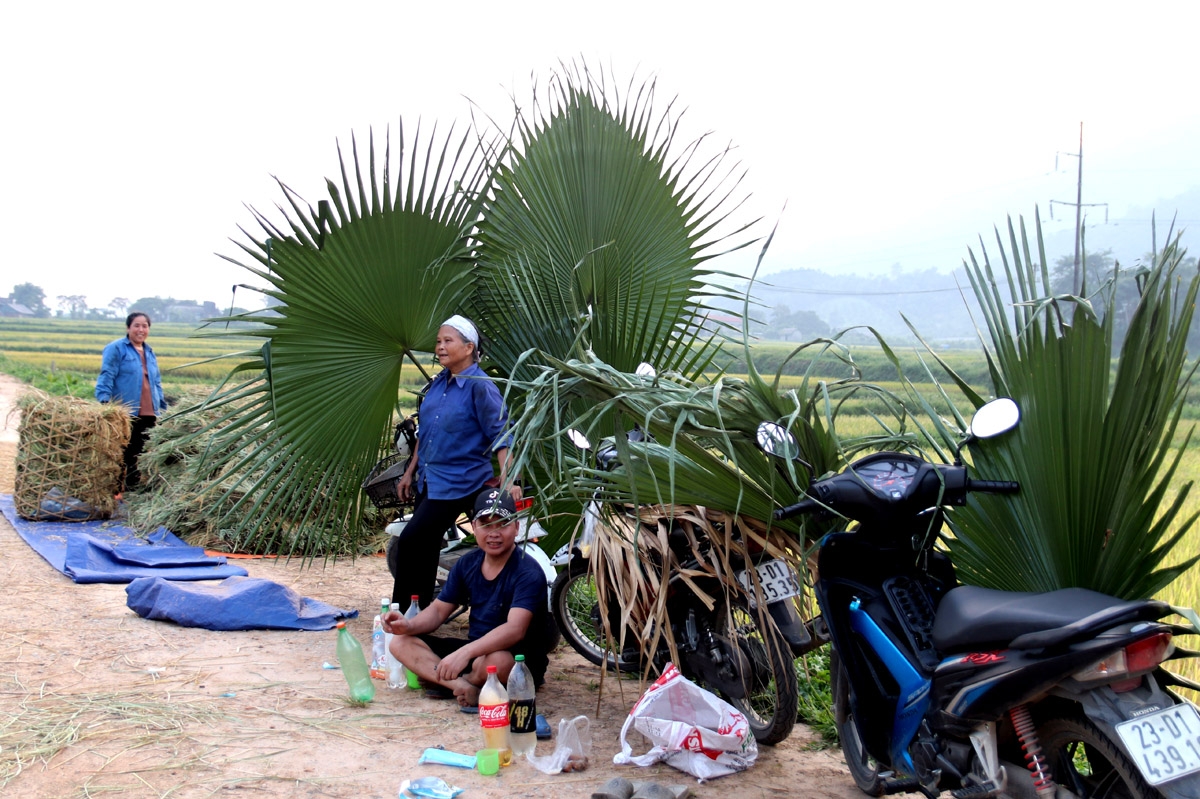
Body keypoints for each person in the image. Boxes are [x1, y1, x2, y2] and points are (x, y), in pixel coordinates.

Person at [388, 314, 520, 607]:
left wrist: (511, 479)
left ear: (469, 347)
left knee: (411, 542)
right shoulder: (438, 385)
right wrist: (411, 471)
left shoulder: (480, 387)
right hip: (429, 479)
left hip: (461, 481)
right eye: (438, 342)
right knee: (425, 548)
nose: (440, 347)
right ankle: (416, 613)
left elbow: (502, 435)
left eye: (448, 341)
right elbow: (427, 431)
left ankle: (403, 618)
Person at [383, 489, 552, 707]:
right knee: (401, 643)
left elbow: (514, 629)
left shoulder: (528, 571)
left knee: (496, 662)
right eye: (486, 525)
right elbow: (437, 611)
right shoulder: (467, 563)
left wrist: (464, 653)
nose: (494, 533)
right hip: (475, 653)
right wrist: (407, 625)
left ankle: (455, 681)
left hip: (516, 659)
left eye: (502, 524)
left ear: (517, 527)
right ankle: (463, 687)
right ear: (474, 527)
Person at [95, 312, 167, 494]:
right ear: (128, 328)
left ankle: (132, 491)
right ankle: (114, 491)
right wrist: (105, 400)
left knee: (141, 452)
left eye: (144, 326)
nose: (141, 330)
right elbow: (107, 374)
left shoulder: (150, 352)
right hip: (126, 410)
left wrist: (162, 406)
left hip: (149, 411)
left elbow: (156, 382)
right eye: (136, 325)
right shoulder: (117, 348)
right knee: (122, 451)